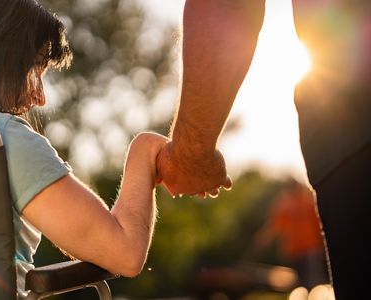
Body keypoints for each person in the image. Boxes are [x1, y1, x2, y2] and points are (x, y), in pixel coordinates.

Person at [156, 1, 371, 299]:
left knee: (310, 282)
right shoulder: (288, 202)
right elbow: (274, 227)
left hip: (354, 123)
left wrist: (193, 151)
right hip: (349, 130)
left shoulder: (299, 201)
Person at [0, 1, 168, 298]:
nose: (40, 98)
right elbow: (125, 253)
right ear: (3, 58)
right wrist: (145, 148)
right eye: (35, 69)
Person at [253, 179, 327, 290]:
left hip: (310, 248)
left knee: (313, 281)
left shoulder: (309, 202)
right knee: (301, 283)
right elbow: (274, 226)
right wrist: (263, 239)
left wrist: (322, 245)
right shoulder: (285, 206)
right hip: (294, 251)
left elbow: (319, 225)